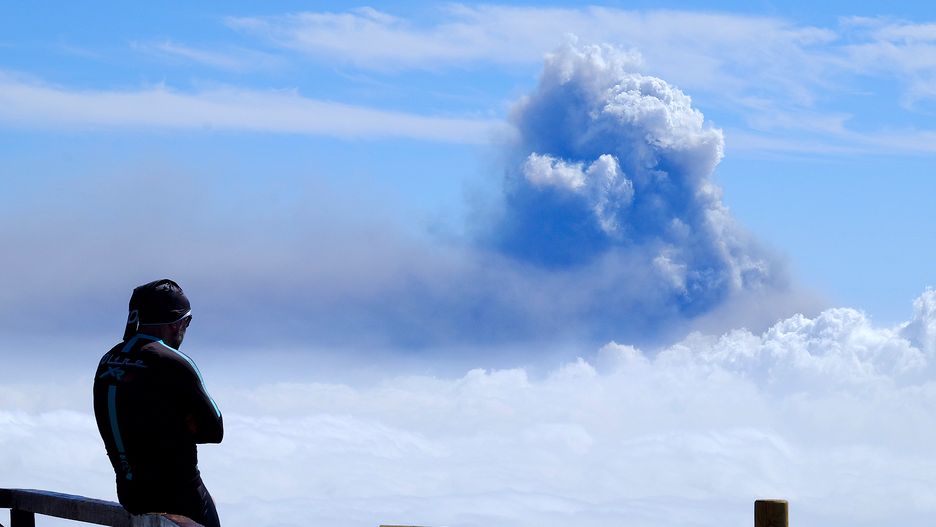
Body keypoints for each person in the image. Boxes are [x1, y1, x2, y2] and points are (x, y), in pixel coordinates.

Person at [93, 279, 223, 527]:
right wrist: (183, 421)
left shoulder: (108, 360)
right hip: (179, 497)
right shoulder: (173, 362)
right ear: (176, 324)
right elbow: (215, 431)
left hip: (131, 495)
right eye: (187, 321)